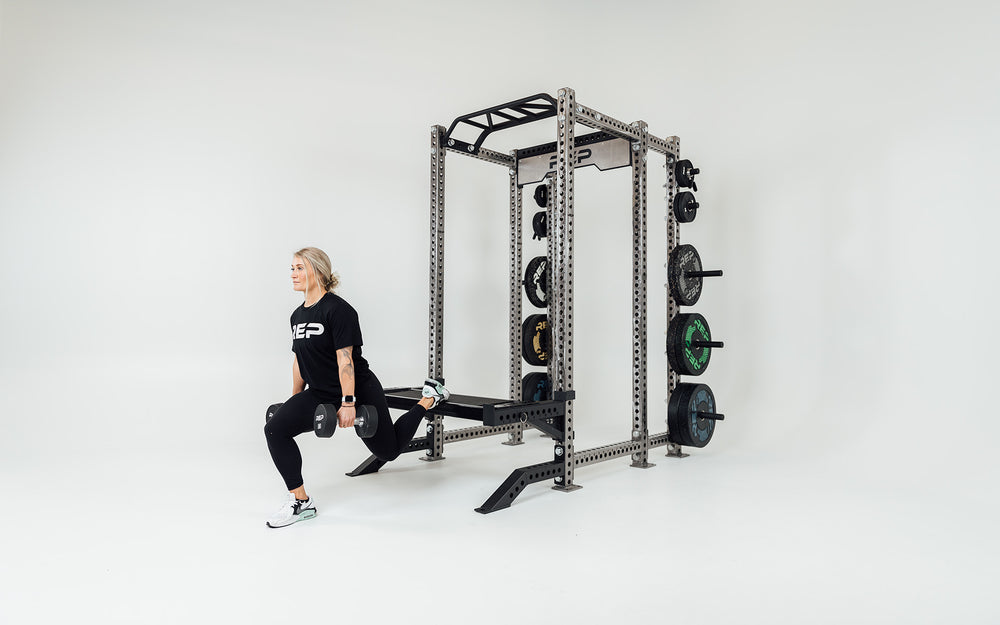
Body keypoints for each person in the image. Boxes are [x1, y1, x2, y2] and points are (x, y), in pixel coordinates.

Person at [263, 247, 449, 528]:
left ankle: (428, 399)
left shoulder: (339, 311)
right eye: (292, 268)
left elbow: (345, 359)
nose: (293, 274)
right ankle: (301, 502)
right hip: (320, 391)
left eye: (300, 268)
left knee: (388, 451)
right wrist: (294, 400)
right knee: (275, 429)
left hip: (358, 387)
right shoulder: (297, 317)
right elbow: (299, 361)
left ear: (319, 271)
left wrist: (348, 402)